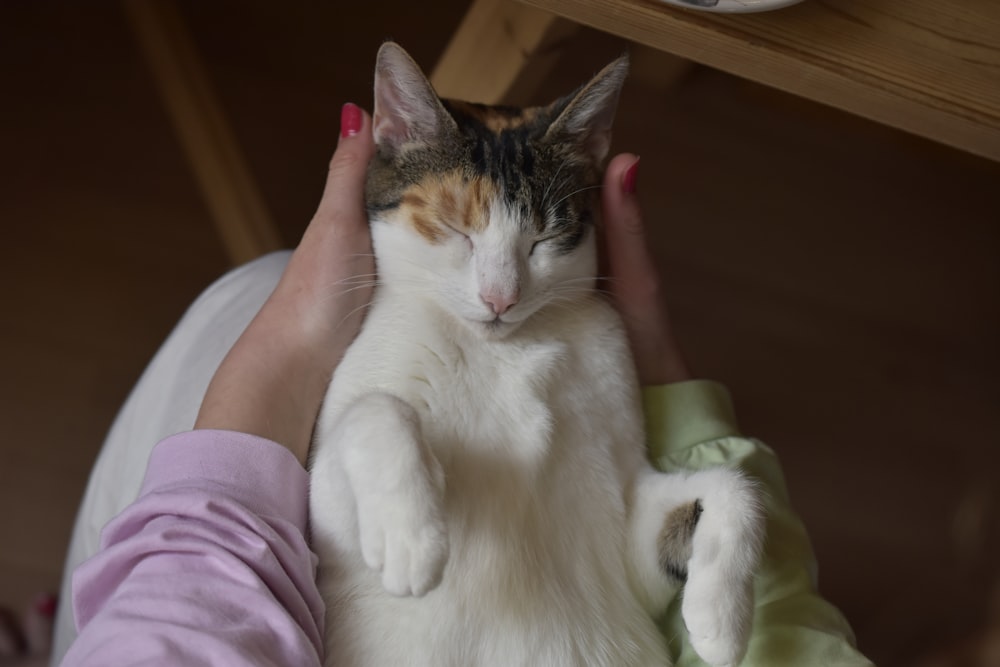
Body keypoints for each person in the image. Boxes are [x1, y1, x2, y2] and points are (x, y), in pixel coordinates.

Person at [51, 103, 874, 666]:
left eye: (545, 242)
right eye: (451, 230)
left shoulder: (589, 331)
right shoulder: (398, 312)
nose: (499, 293)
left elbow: (623, 545)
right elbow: (346, 523)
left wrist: (718, 511)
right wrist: (378, 432)